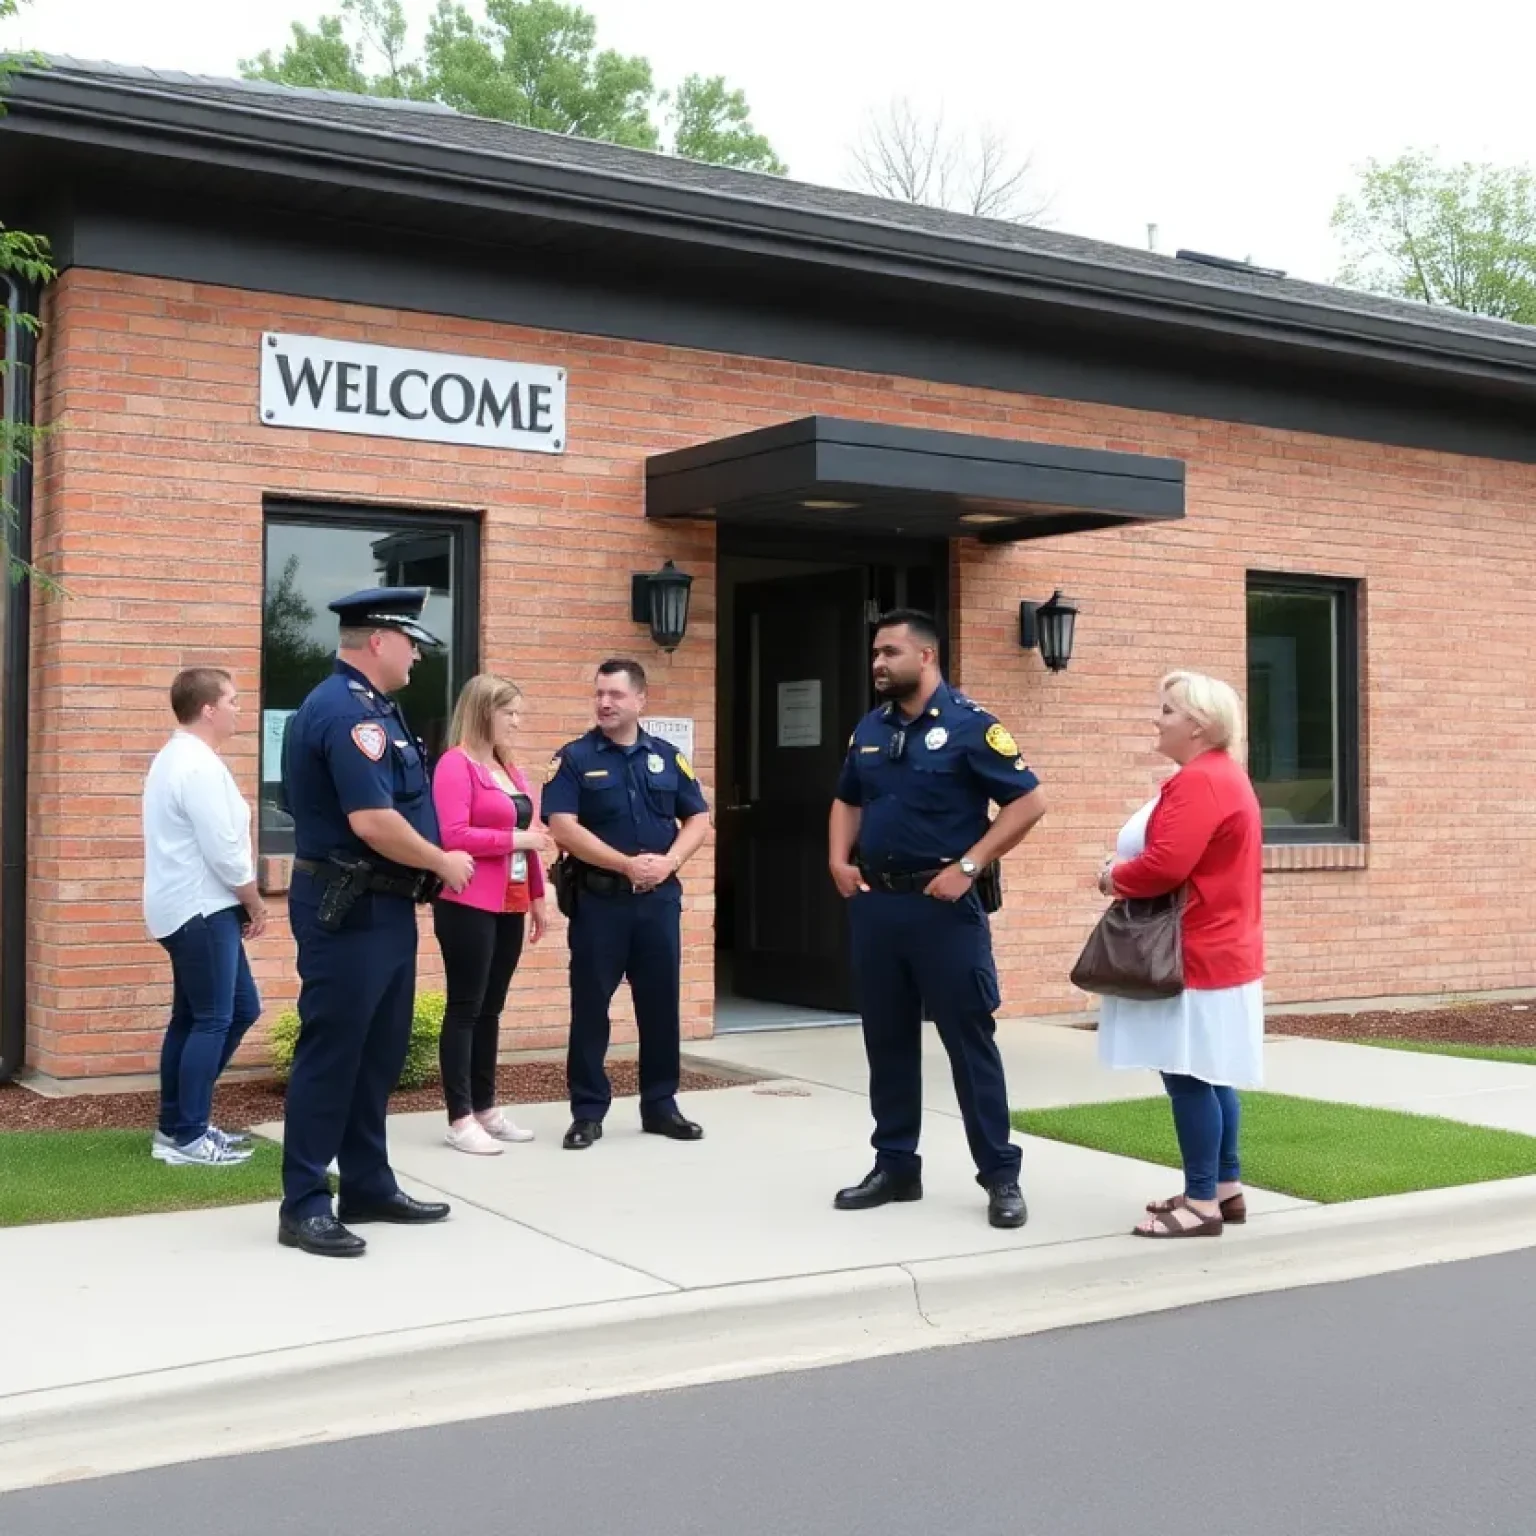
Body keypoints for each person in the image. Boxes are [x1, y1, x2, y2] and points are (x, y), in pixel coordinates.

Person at [828, 609, 1047, 1229]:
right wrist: (837, 861)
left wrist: (971, 867)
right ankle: (895, 1164)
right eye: (874, 652)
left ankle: (1000, 1175)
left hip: (944, 908)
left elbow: (1028, 801)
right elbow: (847, 799)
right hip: (879, 905)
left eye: (890, 652)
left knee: (968, 1041)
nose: (878, 663)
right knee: (887, 1040)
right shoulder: (869, 729)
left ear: (926, 657)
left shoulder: (971, 726)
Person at [277, 587, 474, 1258]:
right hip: (349, 907)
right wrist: (443, 861)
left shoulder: (378, 708)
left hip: (385, 907)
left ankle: (367, 1182)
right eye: (410, 642)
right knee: (333, 1054)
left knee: (377, 1053)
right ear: (379, 642)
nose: (418, 654)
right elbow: (371, 821)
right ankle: (304, 1202)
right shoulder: (343, 713)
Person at [1095, 669, 1264, 1239]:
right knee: (1213, 1075)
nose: (1156, 719)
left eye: (1167, 710)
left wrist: (1112, 877)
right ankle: (1224, 1188)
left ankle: (1200, 1203)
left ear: (1198, 724)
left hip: (1193, 951)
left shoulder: (1200, 782)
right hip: (1219, 947)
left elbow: (1166, 865)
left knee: (1188, 1074)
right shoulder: (1225, 776)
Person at [542, 659, 711, 1151]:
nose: (605, 703)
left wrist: (669, 861)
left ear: (641, 699)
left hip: (658, 901)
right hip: (600, 902)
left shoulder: (666, 756)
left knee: (660, 1006)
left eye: (615, 695)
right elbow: (562, 825)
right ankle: (588, 1111)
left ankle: (661, 1105)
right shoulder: (573, 758)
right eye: (599, 694)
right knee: (591, 1007)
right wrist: (625, 864)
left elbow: (698, 818)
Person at [141, 667, 266, 1167]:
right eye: (233, 701)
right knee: (217, 1017)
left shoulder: (179, 759)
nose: (239, 709)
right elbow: (225, 851)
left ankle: (177, 1127)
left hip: (190, 906)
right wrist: (254, 902)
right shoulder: (197, 766)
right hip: (201, 907)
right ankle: (188, 1135)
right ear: (209, 709)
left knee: (208, 1015)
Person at [431, 673, 557, 1155]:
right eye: (510, 713)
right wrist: (515, 840)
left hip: (511, 900)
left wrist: (539, 898)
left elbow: (535, 836)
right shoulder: (454, 765)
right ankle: (459, 1118)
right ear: (485, 711)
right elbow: (453, 836)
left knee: (492, 1007)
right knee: (465, 1007)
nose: (517, 723)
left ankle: (485, 1107)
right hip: (467, 902)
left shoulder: (510, 769)